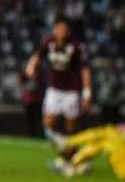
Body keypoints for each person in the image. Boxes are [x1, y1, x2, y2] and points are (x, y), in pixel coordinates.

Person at [25, 17, 91, 171]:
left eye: (63, 28)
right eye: (58, 28)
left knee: (71, 129)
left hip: (71, 92)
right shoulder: (49, 43)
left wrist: (87, 93)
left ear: (68, 30)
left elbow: (85, 69)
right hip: (54, 90)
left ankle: (73, 159)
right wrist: (31, 67)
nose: (60, 31)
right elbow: (37, 56)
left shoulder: (76, 46)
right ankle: (65, 157)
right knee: (48, 125)